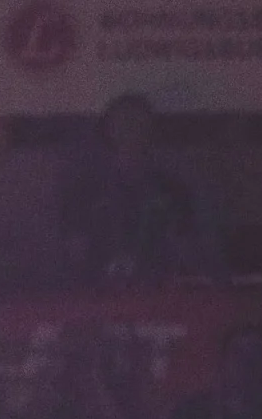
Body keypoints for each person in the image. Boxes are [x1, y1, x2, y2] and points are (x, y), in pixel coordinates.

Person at [58, 92, 202, 288]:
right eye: (123, 122)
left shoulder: (171, 191)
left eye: (137, 122)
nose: (130, 129)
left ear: (151, 130)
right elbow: (74, 258)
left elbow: (187, 256)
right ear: (108, 130)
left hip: (159, 297)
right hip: (98, 299)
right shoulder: (85, 192)